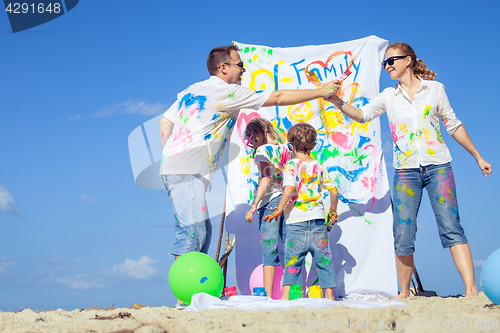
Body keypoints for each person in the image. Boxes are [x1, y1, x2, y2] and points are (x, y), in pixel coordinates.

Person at [326, 42, 492, 299]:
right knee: (403, 231)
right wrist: (336, 101)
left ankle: (471, 291)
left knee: (451, 226)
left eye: (392, 61)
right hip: (405, 172)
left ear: (409, 61)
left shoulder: (435, 90)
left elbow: (453, 124)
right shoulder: (387, 96)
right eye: (385, 63)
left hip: (439, 167)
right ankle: (404, 293)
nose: (388, 66)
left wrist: (478, 157)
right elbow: (361, 115)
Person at [159, 45, 340, 263]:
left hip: (178, 167)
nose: (243, 70)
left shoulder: (192, 90)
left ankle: (194, 291)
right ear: (223, 68)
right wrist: (321, 92)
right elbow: (279, 97)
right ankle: (184, 296)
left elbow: (165, 121)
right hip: (186, 168)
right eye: (240, 65)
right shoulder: (227, 91)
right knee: (193, 233)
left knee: (202, 233)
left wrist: (169, 153)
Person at [264, 123, 339, 300]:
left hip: (297, 222)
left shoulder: (291, 165)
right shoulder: (319, 166)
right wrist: (333, 212)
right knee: (324, 261)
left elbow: (289, 189)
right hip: (319, 221)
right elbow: (334, 190)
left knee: (293, 261)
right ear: (314, 146)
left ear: (291, 146)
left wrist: (278, 209)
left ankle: (286, 297)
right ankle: (329, 296)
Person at [244, 118, 290, 298]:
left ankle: (269, 297)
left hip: (270, 203)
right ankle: (288, 295)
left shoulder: (263, 151)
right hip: (287, 203)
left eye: (250, 138)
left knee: (269, 251)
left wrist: (253, 205)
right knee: (290, 249)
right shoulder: (286, 148)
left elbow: (265, 179)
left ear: (256, 134)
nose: (251, 143)